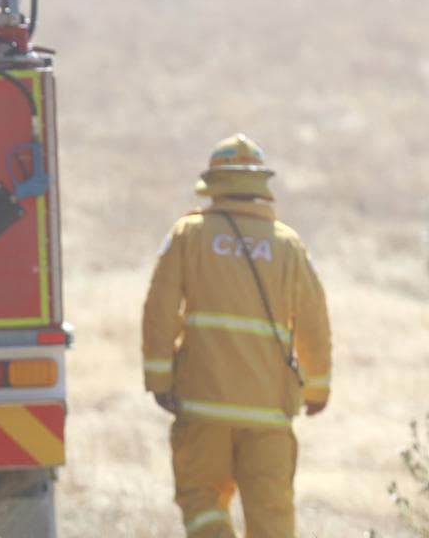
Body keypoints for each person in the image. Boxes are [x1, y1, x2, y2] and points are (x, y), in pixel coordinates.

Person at [142, 133, 332, 538]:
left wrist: (159, 380)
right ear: (261, 185)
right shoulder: (288, 246)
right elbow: (314, 324)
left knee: (200, 498)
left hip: (202, 404)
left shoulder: (188, 235)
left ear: (213, 185)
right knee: (272, 516)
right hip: (268, 413)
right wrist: (317, 388)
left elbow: (159, 311)